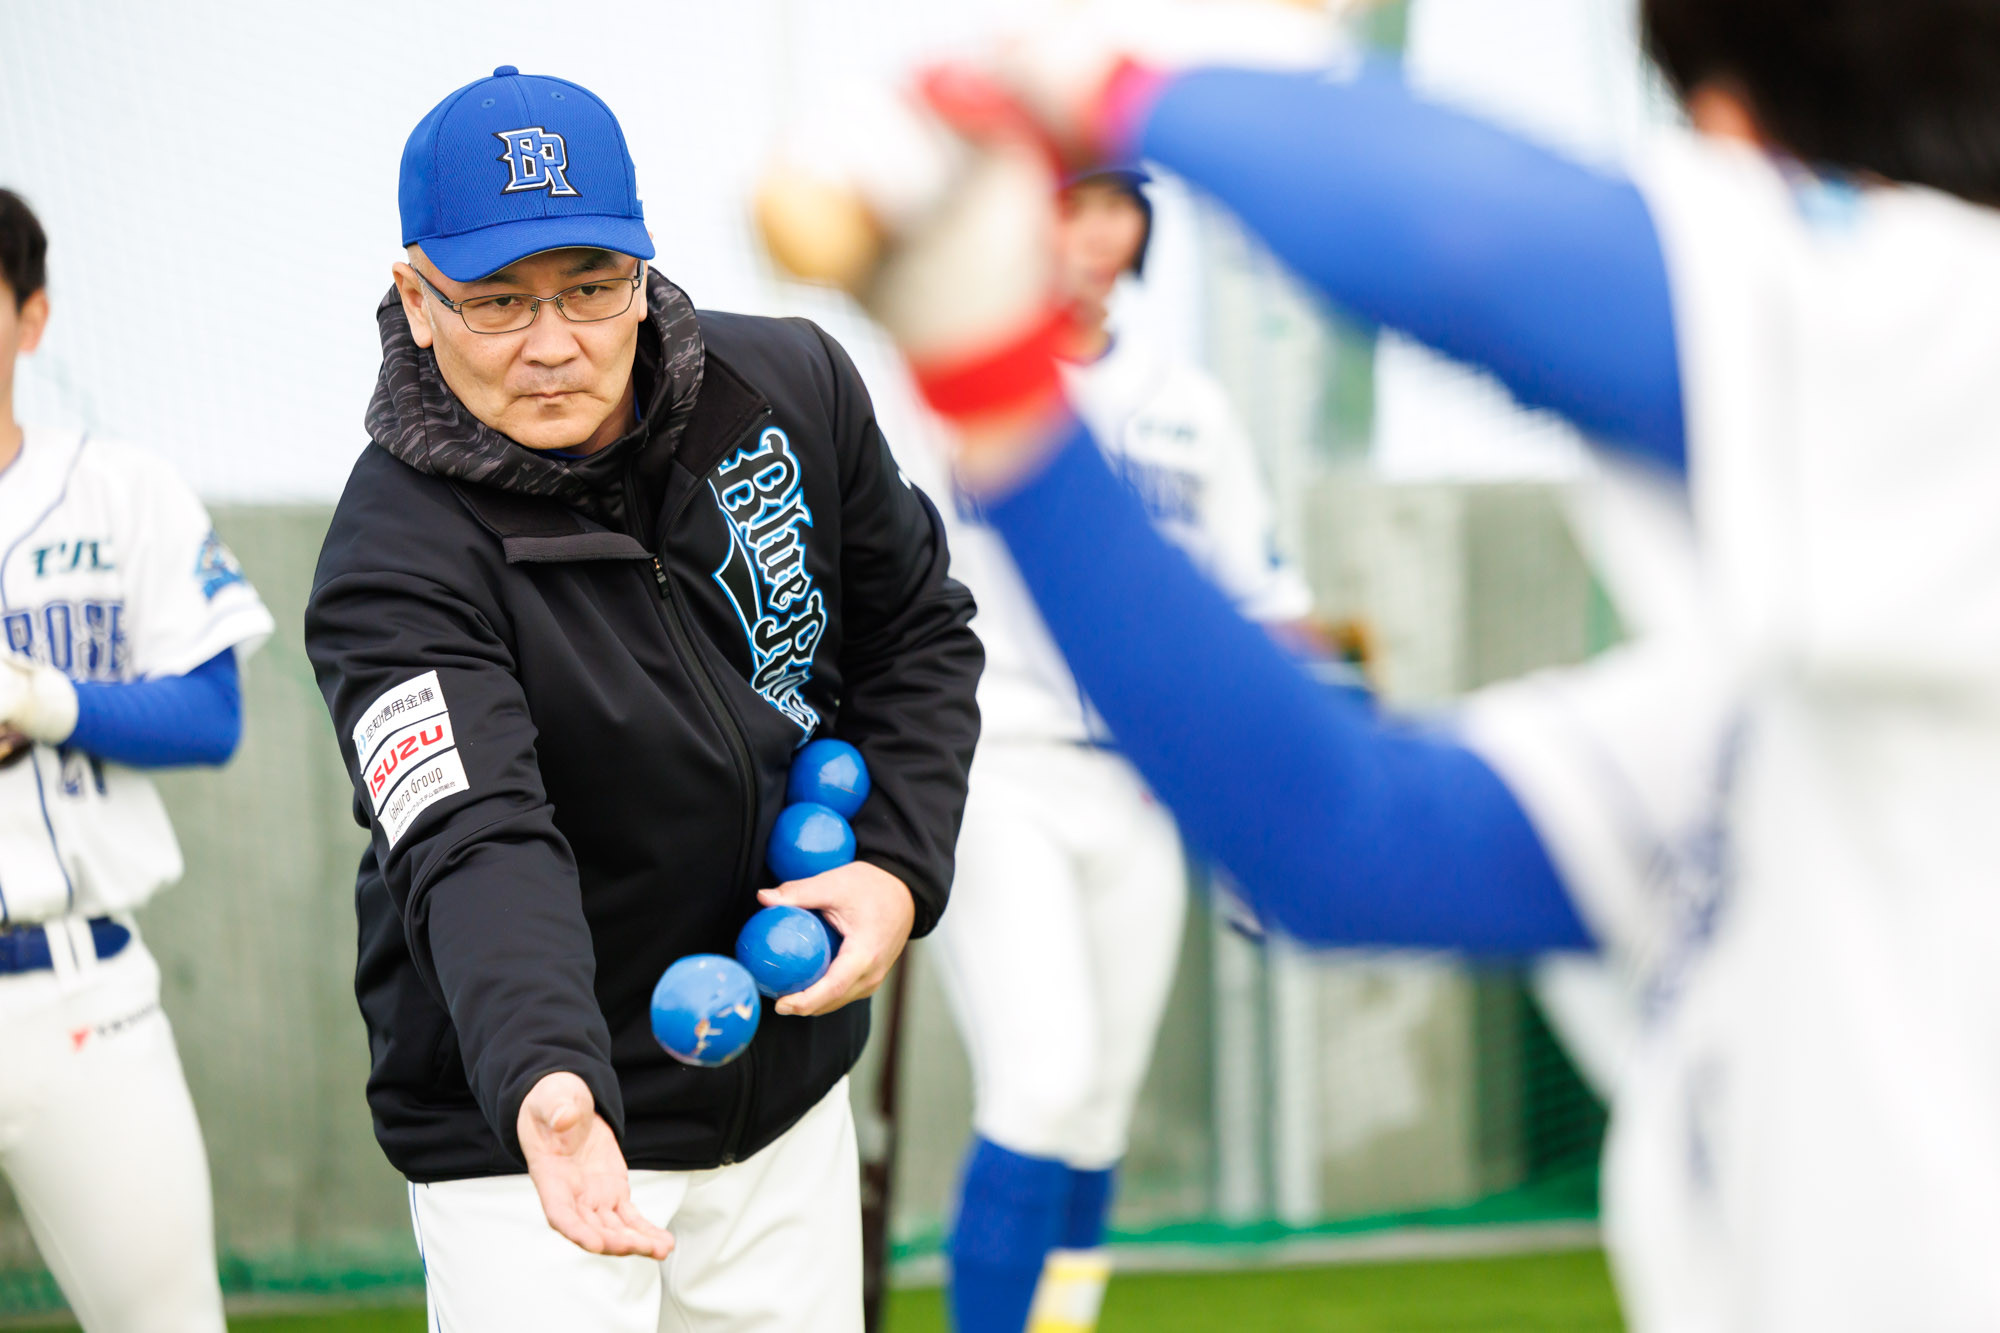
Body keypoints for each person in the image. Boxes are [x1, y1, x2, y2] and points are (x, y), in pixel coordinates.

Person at [778, 0, 2000, 1327]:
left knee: (1077, 1091)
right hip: (1013, 767)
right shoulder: (1819, 709)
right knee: (1049, 1083)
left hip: (1112, 796)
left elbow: (1484, 248)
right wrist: (997, 383)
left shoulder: (1969, 343)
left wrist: (1123, 69)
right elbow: (1347, 837)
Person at [303, 67, 982, 1333]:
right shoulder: (390, 558)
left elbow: (917, 635)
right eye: (496, 302)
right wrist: (549, 1079)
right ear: (415, 297)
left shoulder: (790, 386)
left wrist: (894, 862)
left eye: (590, 289)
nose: (552, 343)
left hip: (781, 1096)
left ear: (642, 264)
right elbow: (474, 833)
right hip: (533, 1136)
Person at [930, 166, 1307, 1333]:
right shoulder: (942, 388)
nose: (1090, 231)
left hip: (1146, 791)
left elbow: (1262, 609)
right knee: (1039, 1085)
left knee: (1095, 1112)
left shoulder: (1184, 400)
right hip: (996, 769)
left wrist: (1276, 813)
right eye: (1061, 202)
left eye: (1112, 202)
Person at [0, 187, 273, 1331]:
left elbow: (212, 716)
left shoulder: (117, 489)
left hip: (75, 988)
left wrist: (42, 699)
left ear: (33, 316)